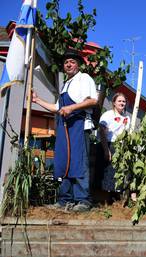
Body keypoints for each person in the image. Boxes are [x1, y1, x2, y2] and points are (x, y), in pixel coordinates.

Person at [32, 49, 98, 212]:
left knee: (79, 162)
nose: (68, 64)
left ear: (78, 65)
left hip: (79, 125)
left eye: (72, 62)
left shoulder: (84, 78)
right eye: (66, 62)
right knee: (65, 161)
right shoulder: (65, 84)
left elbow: (93, 100)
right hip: (65, 127)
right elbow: (57, 107)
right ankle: (64, 200)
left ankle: (82, 200)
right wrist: (37, 100)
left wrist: (71, 108)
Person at [99, 93, 130, 194]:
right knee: (109, 170)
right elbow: (102, 132)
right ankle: (107, 197)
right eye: (119, 101)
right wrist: (106, 150)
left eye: (124, 101)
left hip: (122, 146)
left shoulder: (127, 118)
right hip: (110, 144)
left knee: (119, 171)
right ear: (114, 103)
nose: (122, 103)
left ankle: (116, 194)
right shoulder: (108, 115)